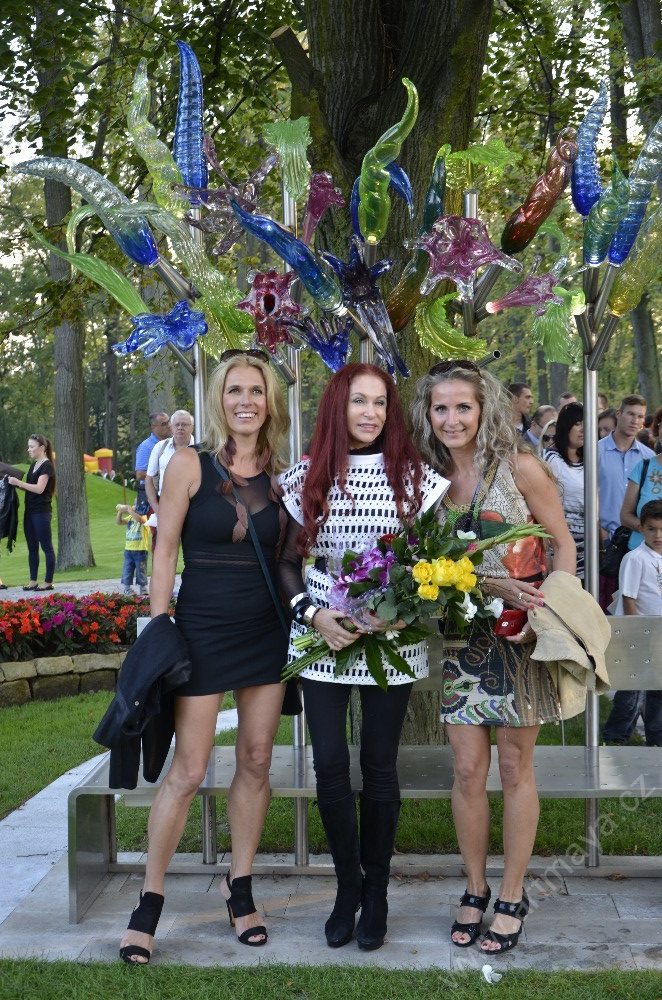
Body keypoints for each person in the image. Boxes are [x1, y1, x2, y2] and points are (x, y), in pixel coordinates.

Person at [118, 351, 290, 964]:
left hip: (266, 631)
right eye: (235, 390)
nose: (246, 401)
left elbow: (292, 555)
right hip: (202, 628)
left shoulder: (283, 474)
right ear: (219, 400)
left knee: (256, 759)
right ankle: (149, 900)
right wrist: (159, 623)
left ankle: (239, 888)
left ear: (269, 402)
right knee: (188, 771)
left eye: (256, 391)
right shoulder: (189, 463)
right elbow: (164, 548)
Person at [278, 363, 448, 952]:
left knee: (379, 766)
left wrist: (404, 609)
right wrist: (312, 615)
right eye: (358, 401)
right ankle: (346, 887)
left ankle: (376, 891)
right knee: (329, 764)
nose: (371, 413)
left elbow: (432, 564)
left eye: (379, 402)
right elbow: (285, 561)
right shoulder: (306, 476)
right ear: (337, 406)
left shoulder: (415, 479)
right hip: (322, 635)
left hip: (390, 638)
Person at [410, 361, 575, 955]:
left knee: (513, 767)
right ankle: (475, 888)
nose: (452, 419)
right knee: (466, 770)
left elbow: (563, 544)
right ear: (428, 415)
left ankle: (511, 894)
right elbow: (417, 561)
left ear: (484, 411)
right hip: (462, 642)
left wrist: (549, 611)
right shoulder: (424, 480)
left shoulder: (519, 467)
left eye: (463, 407)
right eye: (441, 408)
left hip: (521, 637)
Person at [603, 500, 662, 747]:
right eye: (651, 529)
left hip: (659, 635)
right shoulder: (636, 558)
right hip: (640, 633)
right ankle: (615, 737)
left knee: (658, 687)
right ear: (641, 528)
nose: (658, 535)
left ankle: (656, 738)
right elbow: (629, 597)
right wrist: (635, 634)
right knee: (633, 690)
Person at [598, 394, 654, 609]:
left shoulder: (648, 458)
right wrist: (599, 534)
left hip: (638, 543)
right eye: (630, 414)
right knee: (604, 604)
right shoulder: (595, 452)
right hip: (602, 542)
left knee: (637, 604)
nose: (634, 420)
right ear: (619, 414)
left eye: (640, 416)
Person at [8, 435, 57, 592]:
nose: (28, 449)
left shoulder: (47, 466)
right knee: (32, 547)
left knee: (46, 547)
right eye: (28, 446)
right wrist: (13, 483)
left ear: (42, 447)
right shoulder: (34, 465)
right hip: (30, 511)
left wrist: (19, 482)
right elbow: (29, 488)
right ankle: (33, 581)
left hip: (41, 512)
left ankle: (48, 582)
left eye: (31, 446)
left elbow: (39, 489)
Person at [544, 402, 585, 579]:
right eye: (577, 423)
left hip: (587, 547)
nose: (583, 429)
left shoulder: (590, 459)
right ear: (566, 426)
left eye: (586, 424)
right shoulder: (551, 459)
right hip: (560, 546)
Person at [144, 409, 195, 516]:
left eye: (184, 424)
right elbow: (149, 479)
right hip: (165, 507)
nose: (180, 427)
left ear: (192, 427)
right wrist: (156, 508)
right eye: (177, 424)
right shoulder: (160, 447)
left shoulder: (201, 450)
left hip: (194, 507)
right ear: (171, 427)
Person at [134, 412, 171, 503]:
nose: (169, 426)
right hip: (151, 496)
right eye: (164, 424)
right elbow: (140, 474)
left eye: (169, 422)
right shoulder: (146, 447)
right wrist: (163, 475)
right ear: (153, 427)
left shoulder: (172, 443)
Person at [116, 501, 150, 596]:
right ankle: (127, 588)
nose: (134, 506)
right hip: (129, 550)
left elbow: (140, 520)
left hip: (141, 550)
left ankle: (143, 588)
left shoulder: (145, 517)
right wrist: (120, 512)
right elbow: (119, 522)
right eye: (134, 504)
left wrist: (128, 509)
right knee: (127, 569)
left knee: (141, 570)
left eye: (137, 504)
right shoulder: (130, 517)